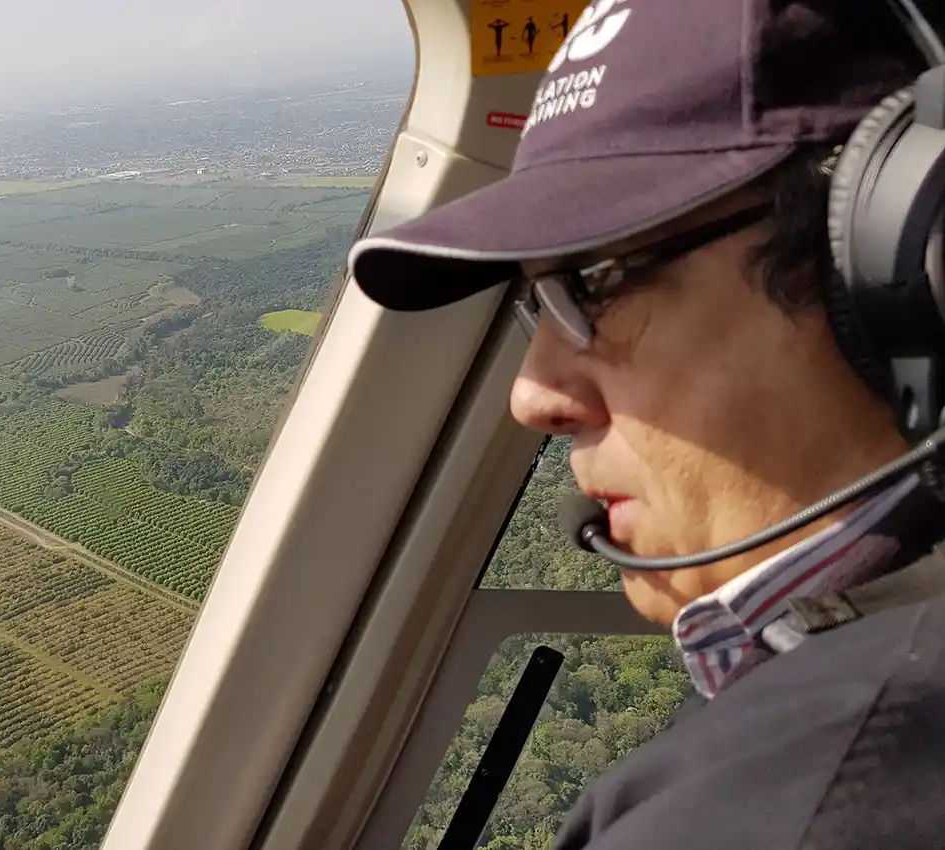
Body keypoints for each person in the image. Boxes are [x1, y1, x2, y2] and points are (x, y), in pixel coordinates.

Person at [349, 1, 945, 848]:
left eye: (595, 281)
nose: (532, 395)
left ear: (906, 258)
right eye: (536, 303)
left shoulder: (797, 803)